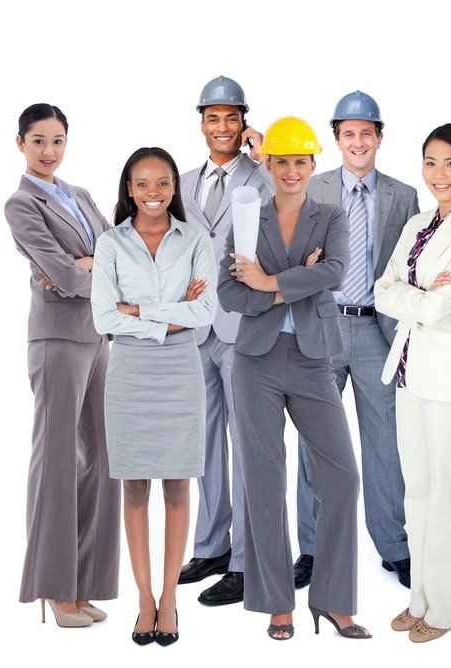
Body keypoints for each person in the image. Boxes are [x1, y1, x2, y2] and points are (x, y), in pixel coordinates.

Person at [217, 116, 368, 641]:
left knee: (343, 479)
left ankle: (333, 600)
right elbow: (230, 294)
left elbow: (336, 272)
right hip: (254, 360)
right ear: (268, 163)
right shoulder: (245, 216)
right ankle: (277, 603)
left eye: (300, 161)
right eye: (281, 160)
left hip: (311, 358)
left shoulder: (331, 215)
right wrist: (294, 281)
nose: (290, 170)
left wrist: (269, 280)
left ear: (312, 165)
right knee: (263, 482)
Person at [91, 147, 218, 646]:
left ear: (174, 188)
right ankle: (144, 599)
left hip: (180, 369)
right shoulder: (110, 243)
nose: (153, 193)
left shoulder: (195, 238)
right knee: (135, 486)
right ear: (128, 188)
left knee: (178, 485)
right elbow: (104, 318)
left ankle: (170, 598)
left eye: (162, 183)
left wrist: (137, 308)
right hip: (129, 372)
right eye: (142, 184)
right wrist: (169, 311)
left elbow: (206, 309)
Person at [375, 123, 451, 642]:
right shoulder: (418, 223)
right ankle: (420, 596)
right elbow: (382, 290)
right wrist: (419, 291)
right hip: (408, 370)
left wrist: (418, 291)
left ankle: (448, 605)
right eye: (430, 162)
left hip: (450, 377)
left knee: (447, 490)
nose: (439, 173)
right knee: (417, 491)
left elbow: (445, 307)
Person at [293, 90, 419, 591]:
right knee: (315, 443)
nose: (359, 141)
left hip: (376, 329)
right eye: (349, 133)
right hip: (321, 325)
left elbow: (409, 260)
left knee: (385, 443)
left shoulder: (403, 194)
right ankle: (314, 549)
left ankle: (394, 546)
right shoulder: (314, 187)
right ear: (337, 139)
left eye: (367, 132)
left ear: (380, 137)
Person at [5, 103, 120, 628]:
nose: (49, 151)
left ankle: (85, 583)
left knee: (102, 457)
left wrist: (92, 265)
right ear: (20, 144)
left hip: (98, 336)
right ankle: (55, 590)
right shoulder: (21, 204)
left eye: (57, 141)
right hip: (55, 339)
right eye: (38, 141)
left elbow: (120, 259)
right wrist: (86, 268)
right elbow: (67, 277)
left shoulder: (81, 196)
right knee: (56, 461)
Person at [178, 75, 274, 606]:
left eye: (231, 118)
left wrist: (265, 158)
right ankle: (212, 545)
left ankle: (246, 561)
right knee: (205, 441)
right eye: (212, 118)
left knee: (250, 445)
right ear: (202, 124)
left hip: (245, 328)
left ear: (243, 123)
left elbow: (293, 198)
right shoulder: (184, 181)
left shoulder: (264, 177)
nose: (222, 127)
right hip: (196, 327)